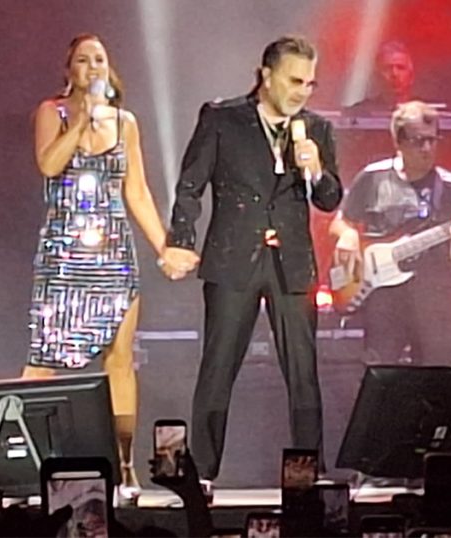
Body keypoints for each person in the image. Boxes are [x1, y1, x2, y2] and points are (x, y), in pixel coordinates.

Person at [162, 35, 343, 486]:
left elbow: (329, 198)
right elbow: (190, 185)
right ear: (266, 75)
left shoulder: (316, 129)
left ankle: (308, 472)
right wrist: (180, 239)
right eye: (295, 81)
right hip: (233, 257)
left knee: (303, 373)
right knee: (218, 366)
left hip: (291, 262)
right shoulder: (222, 119)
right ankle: (202, 475)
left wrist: (315, 168)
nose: (303, 92)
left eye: (310, 84)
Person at [20, 34, 171, 505]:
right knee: (44, 359)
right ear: (69, 70)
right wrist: (82, 119)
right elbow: (49, 164)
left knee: (120, 361)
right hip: (64, 257)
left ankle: (124, 466)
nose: (93, 67)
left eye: (99, 59)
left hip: (114, 255)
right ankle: (18, 460)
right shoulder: (53, 112)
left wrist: (164, 248)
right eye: (83, 60)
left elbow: (137, 191)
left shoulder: (126, 122)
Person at [329, 100, 451, 365]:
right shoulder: (373, 177)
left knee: (436, 376)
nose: (427, 148)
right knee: (381, 373)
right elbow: (340, 222)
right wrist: (348, 235)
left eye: (432, 140)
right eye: (418, 141)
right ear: (399, 142)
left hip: (434, 302)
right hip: (384, 301)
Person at [346, 40, 416, 112]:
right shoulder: (359, 112)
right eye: (387, 68)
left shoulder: (423, 112)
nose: (394, 74)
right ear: (377, 76)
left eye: (400, 68)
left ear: (411, 76)